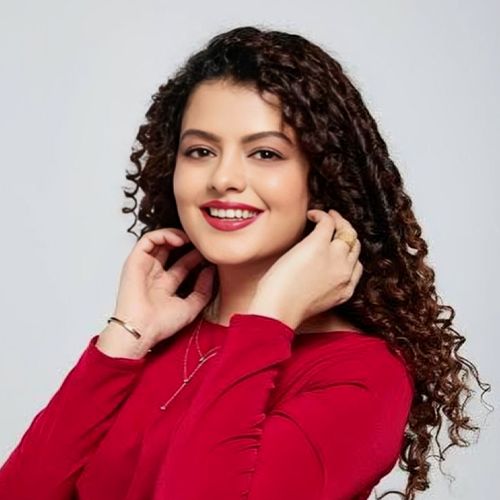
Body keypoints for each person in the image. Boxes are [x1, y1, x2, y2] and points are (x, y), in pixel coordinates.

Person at [0, 25, 490, 500]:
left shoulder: (361, 375)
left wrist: (270, 319)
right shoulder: (153, 341)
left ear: (321, 176)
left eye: (265, 153)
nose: (224, 178)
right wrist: (123, 339)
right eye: (200, 151)